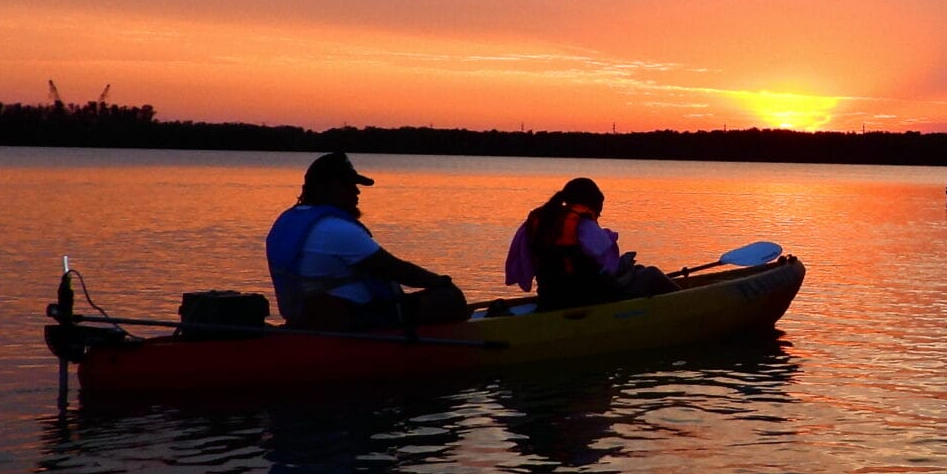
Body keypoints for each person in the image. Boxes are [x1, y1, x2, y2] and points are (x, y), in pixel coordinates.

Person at [266, 152, 465, 330]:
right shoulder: (336, 229)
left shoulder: (286, 221)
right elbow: (395, 269)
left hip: (304, 319)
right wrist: (443, 283)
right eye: (348, 186)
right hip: (355, 320)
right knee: (449, 298)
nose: (356, 192)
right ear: (324, 189)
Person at [507, 177, 677, 309]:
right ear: (590, 204)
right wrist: (623, 266)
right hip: (588, 298)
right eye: (599, 210)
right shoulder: (584, 225)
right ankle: (685, 302)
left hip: (549, 296)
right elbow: (609, 268)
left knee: (639, 271)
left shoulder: (536, 222)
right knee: (651, 274)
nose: (599, 216)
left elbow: (519, 265)